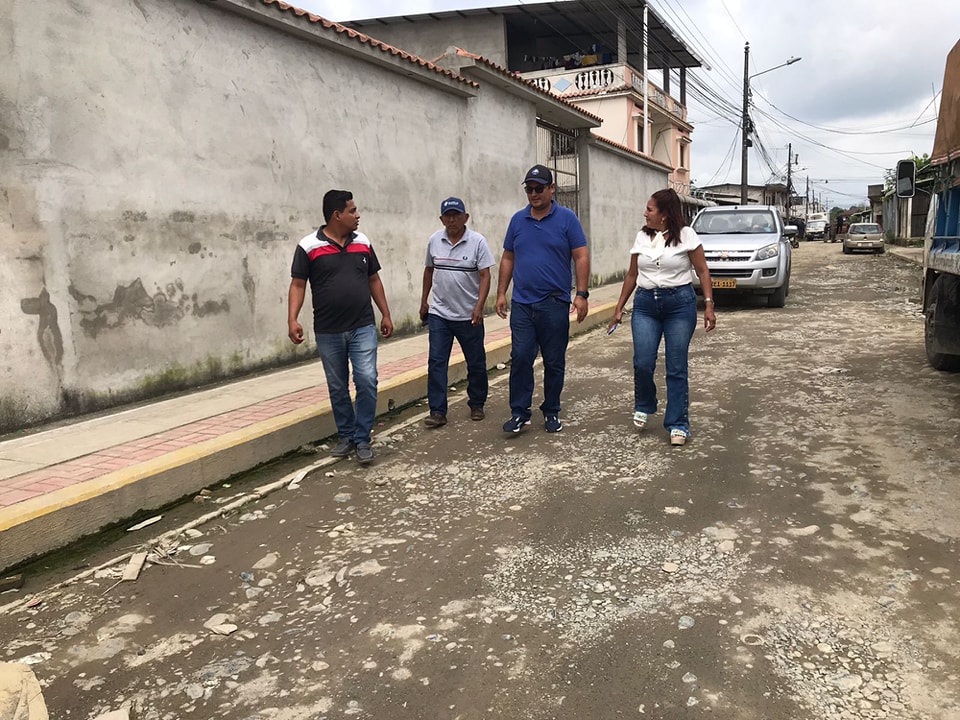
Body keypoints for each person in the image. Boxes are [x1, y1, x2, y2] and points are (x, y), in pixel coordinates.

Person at [287, 189, 393, 465]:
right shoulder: (308, 246)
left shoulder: (363, 242)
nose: (357, 215)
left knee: (367, 379)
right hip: (328, 330)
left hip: (362, 326)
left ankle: (362, 437)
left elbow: (373, 279)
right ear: (337, 215)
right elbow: (298, 284)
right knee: (337, 385)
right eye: (352, 211)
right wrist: (292, 318)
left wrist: (385, 313)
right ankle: (347, 435)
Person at [607, 188, 716, 447]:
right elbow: (632, 275)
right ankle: (645, 403)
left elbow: (702, 270)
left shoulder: (687, 236)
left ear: (664, 214)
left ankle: (678, 423)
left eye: (650, 209)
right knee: (643, 362)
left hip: (679, 305)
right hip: (645, 305)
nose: (645, 213)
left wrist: (709, 304)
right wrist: (619, 307)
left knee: (676, 367)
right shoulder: (642, 237)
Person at [496, 164, 590, 434]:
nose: (534, 194)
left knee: (553, 360)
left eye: (539, 188)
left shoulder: (567, 219)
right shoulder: (517, 220)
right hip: (523, 303)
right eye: (529, 189)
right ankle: (519, 413)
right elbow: (508, 257)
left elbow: (581, 255)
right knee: (521, 356)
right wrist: (501, 292)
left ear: (552, 189)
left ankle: (551, 410)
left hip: (554, 303)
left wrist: (581, 294)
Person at [419, 197, 496, 427]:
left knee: (476, 362)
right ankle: (437, 411)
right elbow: (428, 271)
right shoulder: (434, 240)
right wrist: (424, 301)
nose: (452, 220)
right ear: (441, 218)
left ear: (465, 217)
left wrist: (479, 306)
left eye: (456, 215)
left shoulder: (477, 242)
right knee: (436, 362)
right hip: (440, 314)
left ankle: (477, 403)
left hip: (469, 315)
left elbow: (485, 275)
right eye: (447, 216)